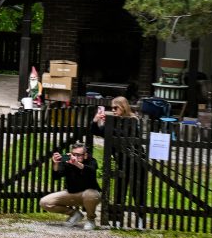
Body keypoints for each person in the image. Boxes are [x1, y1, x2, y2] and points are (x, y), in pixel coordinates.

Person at [92, 96, 146, 228]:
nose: (113, 110)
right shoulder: (113, 121)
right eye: (112, 108)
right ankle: (116, 219)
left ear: (123, 107)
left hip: (136, 162)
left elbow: (125, 135)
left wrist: (109, 126)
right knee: (119, 192)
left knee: (137, 193)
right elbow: (97, 131)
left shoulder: (133, 120)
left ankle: (141, 220)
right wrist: (96, 120)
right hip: (121, 162)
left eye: (116, 108)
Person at [39, 142, 101, 230]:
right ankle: (75, 214)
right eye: (73, 154)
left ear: (85, 155)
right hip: (71, 193)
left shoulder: (91, 161)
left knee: (90, 195)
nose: (75, 157)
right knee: (45, 202)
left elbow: (91, 171)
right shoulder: (67, 160)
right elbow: (56, 176)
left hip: (89, 194)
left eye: (78, 155)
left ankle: (91, 220)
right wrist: (56, 164)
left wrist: (76, 163)